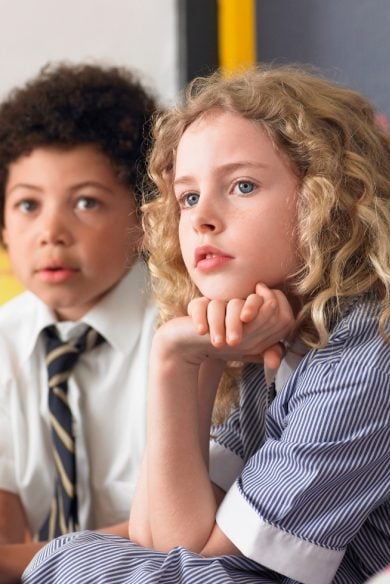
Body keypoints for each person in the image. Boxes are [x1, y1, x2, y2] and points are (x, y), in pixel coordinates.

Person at [21, 66, 390, 584]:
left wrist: (174, 361)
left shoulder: (380, 353)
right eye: (188, 197)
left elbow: (198, 564)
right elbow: (163, 536)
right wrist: (185, 358)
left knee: (78, 561)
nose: (202, 219)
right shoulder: (282, 343)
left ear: (331, 201)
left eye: (242, 185)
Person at [0, 62, 159, 549]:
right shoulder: (4, 339)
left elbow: (193, 530)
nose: (51, 232)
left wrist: (25, 561)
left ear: (146, 217)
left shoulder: (189, 329)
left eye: (86, 202)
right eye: (28, 205)